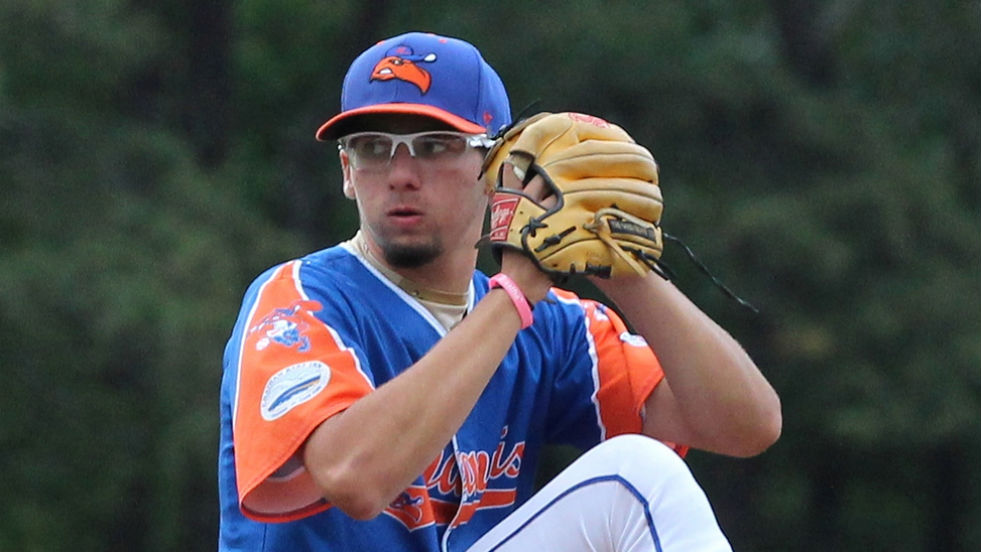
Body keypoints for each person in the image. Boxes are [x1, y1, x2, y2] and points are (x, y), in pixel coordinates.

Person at [218, 31, 781, 551]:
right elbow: (352, 477)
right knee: (632, 479)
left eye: (435, 145)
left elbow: (746, 424)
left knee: (639, 479)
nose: (400, 173)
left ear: (498, 169)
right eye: (371, 147)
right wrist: (514, 292)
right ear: (346, 170)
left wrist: (624, 270)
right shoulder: (300, 299)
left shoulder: (552, 327)